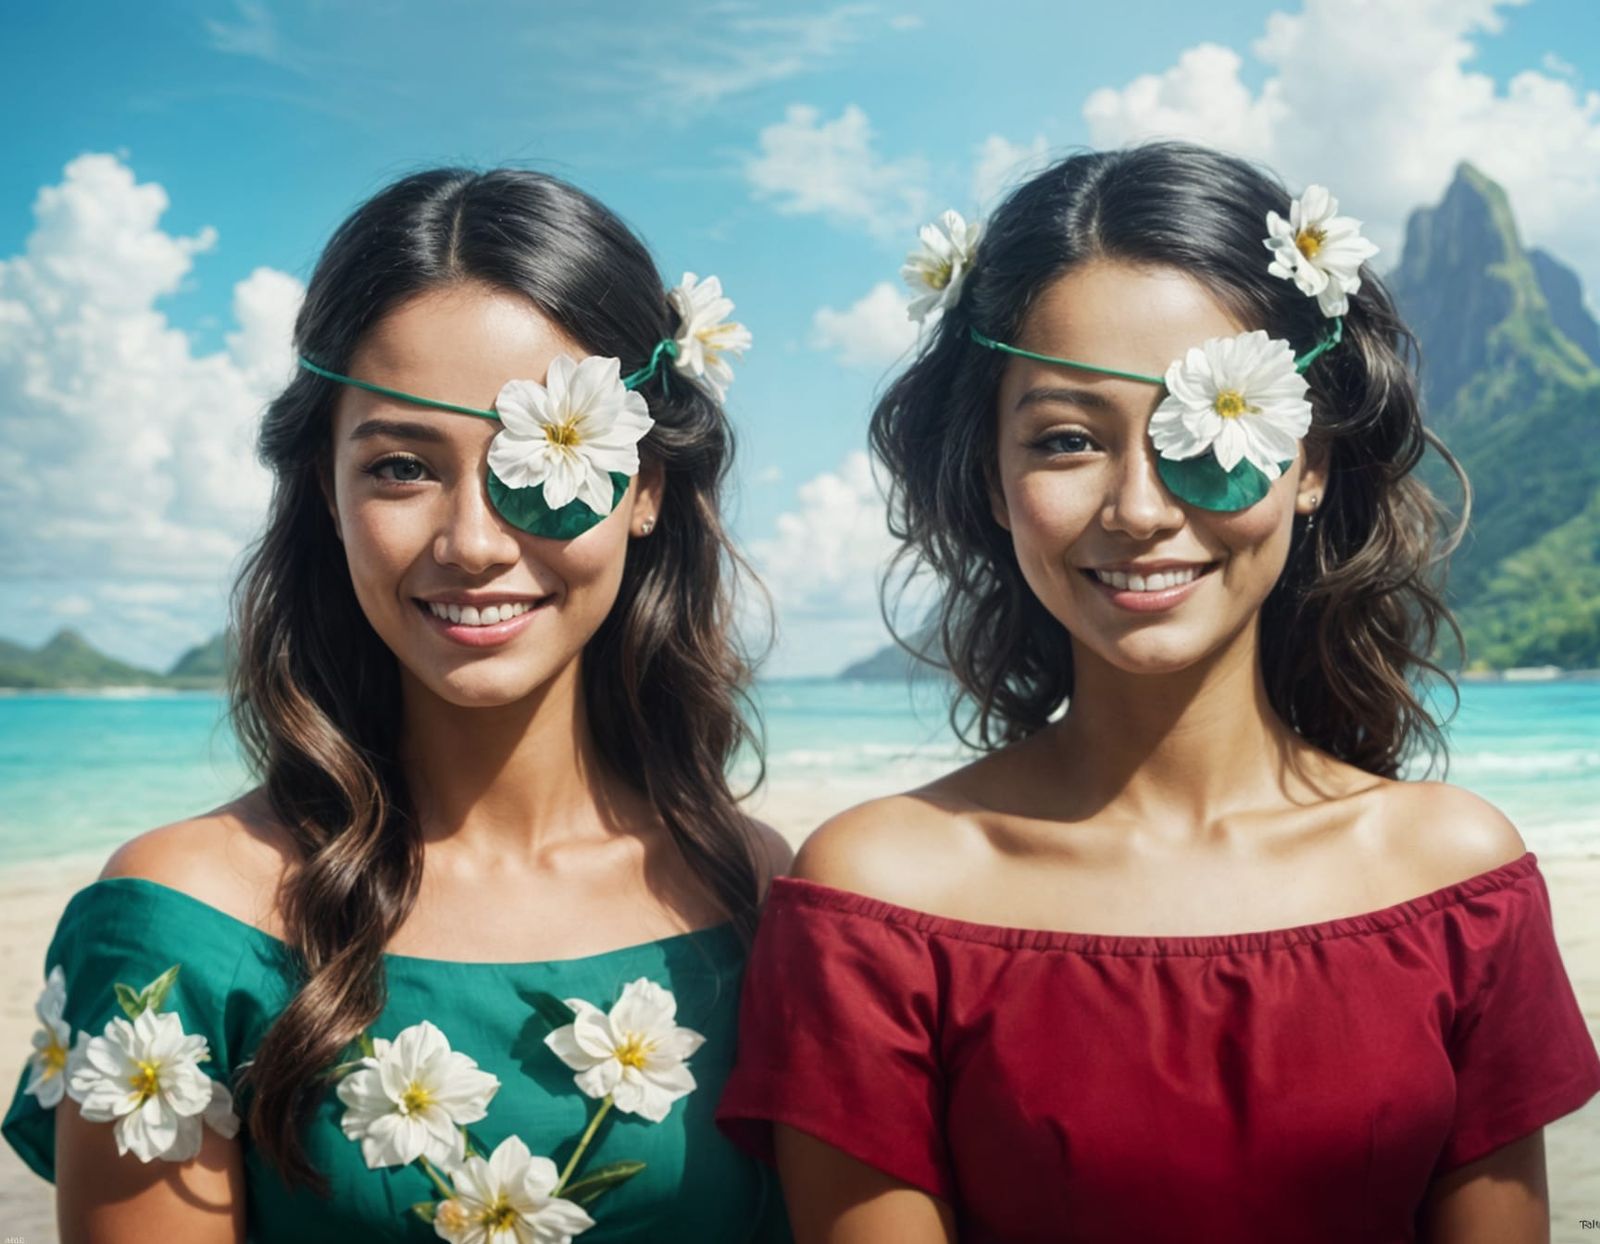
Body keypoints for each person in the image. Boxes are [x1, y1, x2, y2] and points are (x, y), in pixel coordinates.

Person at [716, 143, 1600, 1243]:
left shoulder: (1457, 879)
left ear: (1311, 458)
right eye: (1067, 438)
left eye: (1208, 424)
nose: (1138, 507)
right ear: (992, 474)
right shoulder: (877, 899)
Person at [5, 167, 791, 1243]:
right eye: (402, 466)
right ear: (323, 489)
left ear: (647, 486)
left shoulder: (763, 892)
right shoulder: (180, 927)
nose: (472, 540)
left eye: (542, 456)